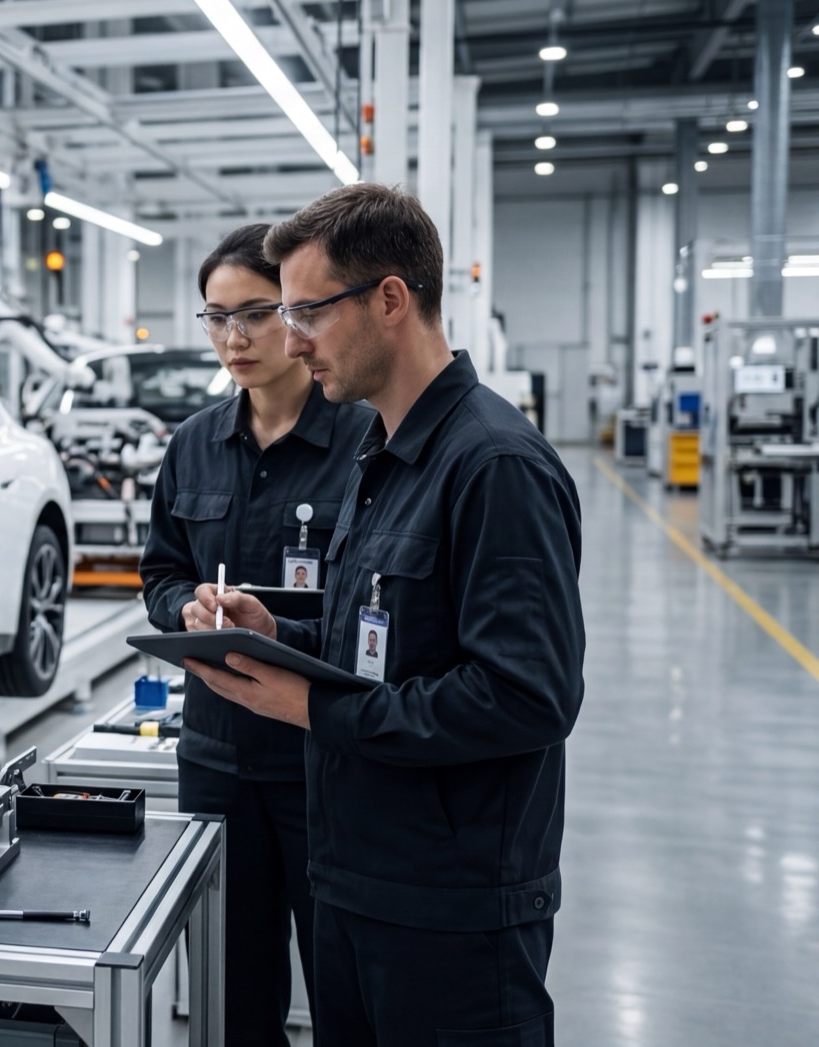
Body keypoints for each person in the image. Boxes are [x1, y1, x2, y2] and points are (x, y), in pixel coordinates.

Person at [180, 183, 584, 1046]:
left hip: (452, 911)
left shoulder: (494, 465)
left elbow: (526, 697)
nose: (289, 341)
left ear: (390, 299)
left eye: (307, 313)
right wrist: (280, 638)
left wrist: (313, 706)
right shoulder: (384, 455)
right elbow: (383, 645)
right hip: (355, 882)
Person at [139, 224, 374, 1047]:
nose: (233, 338)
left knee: (347, 989)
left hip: (325, 759)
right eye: (215, 318)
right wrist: (186, 611)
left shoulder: (365, 441)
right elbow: (160, 573)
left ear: (299, 314)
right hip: (216, 759)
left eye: (255, 313)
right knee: (234, 998)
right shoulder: (193, 445)